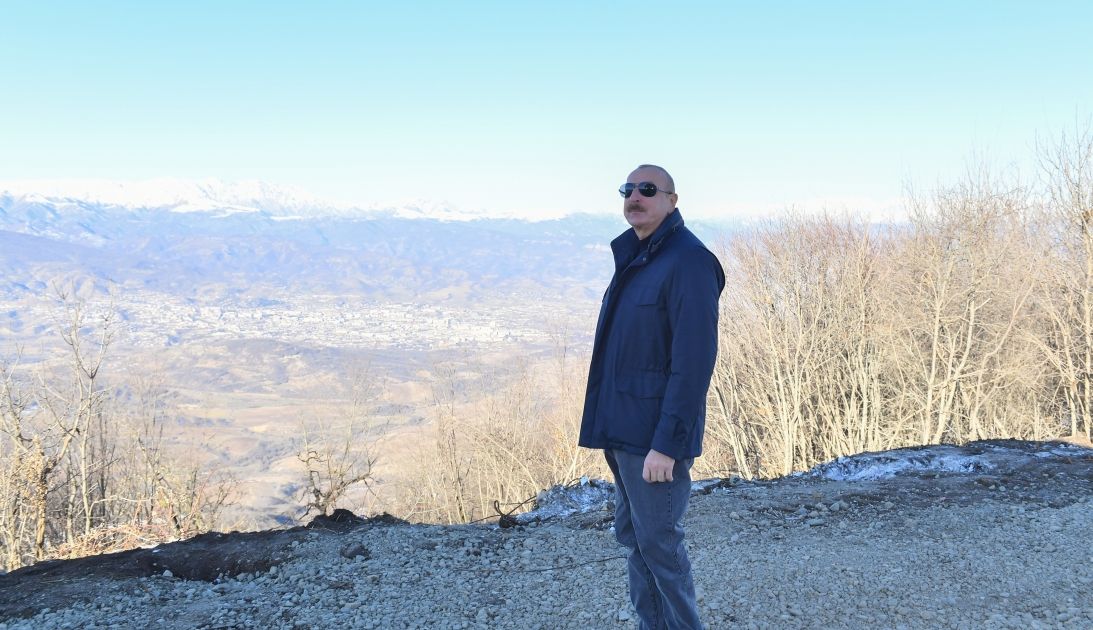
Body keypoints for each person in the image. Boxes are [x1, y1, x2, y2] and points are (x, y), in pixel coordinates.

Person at [579, 164, 725, 629]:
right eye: (628, 189)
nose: (635, 197)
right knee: (635, 538)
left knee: (660, 545)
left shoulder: (688, 261)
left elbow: (693, 363)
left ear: (671, 200)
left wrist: (667, 444)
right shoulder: (639, 257)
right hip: (623, 434)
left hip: (653, 441)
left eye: (647, 189)